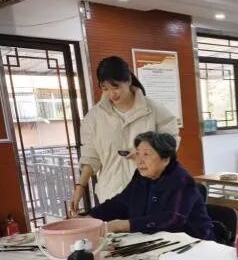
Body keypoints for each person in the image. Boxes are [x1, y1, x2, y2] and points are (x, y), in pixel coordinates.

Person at [71, 56, 179, 214]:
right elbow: (90, 155)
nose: (111, 94)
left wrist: (147, 152)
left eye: (115, 87)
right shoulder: (94, 117)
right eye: (105, 88)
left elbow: (170, 142)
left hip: (149, 192)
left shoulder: (153, 110)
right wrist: (80, 186)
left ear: (128, 81)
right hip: (111, 194)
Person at [89, 132, 214, 240]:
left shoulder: (182, 180)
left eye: (146, 154)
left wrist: (122, 225)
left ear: (165, 159)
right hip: (154, 241)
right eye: (138, 154)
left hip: (194, 244)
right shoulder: (141, 176)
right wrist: (90, 216)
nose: (139, 161)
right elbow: (121, 202)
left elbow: (173, 219)